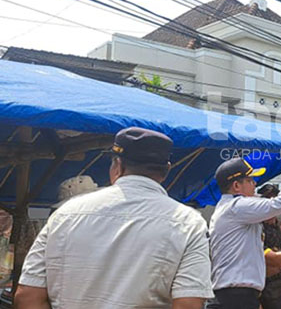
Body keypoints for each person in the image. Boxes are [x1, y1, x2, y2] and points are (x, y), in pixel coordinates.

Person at [15, 127, 214, 308]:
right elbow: (188, 304)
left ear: (117, 165)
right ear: (166, 171)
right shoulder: (189, 223)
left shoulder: (65, 214)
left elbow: (27, 296)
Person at [207, 148, 281, 309]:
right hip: (235, 297)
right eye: (250, 180)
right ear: (237, 185)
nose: (255, 184)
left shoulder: (231, 208)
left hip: (236, 295)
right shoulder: (237, 206)